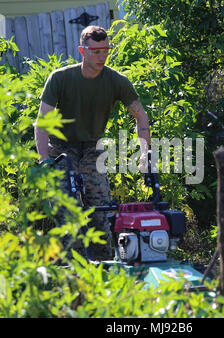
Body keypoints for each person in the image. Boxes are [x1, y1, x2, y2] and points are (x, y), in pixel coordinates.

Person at [34, 25, 150, 261]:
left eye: (105, 50)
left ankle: (104, 267)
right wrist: (45, 159)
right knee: (67, 213)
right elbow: (42, 123)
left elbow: (141, 115)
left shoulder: (116, 80)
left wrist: (145, 153)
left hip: (92, 149)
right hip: (61, 149)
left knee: (100, 211)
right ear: (82, 51)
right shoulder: (60, 78)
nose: (102, 56)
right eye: (96, 51)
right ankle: (71, 272)